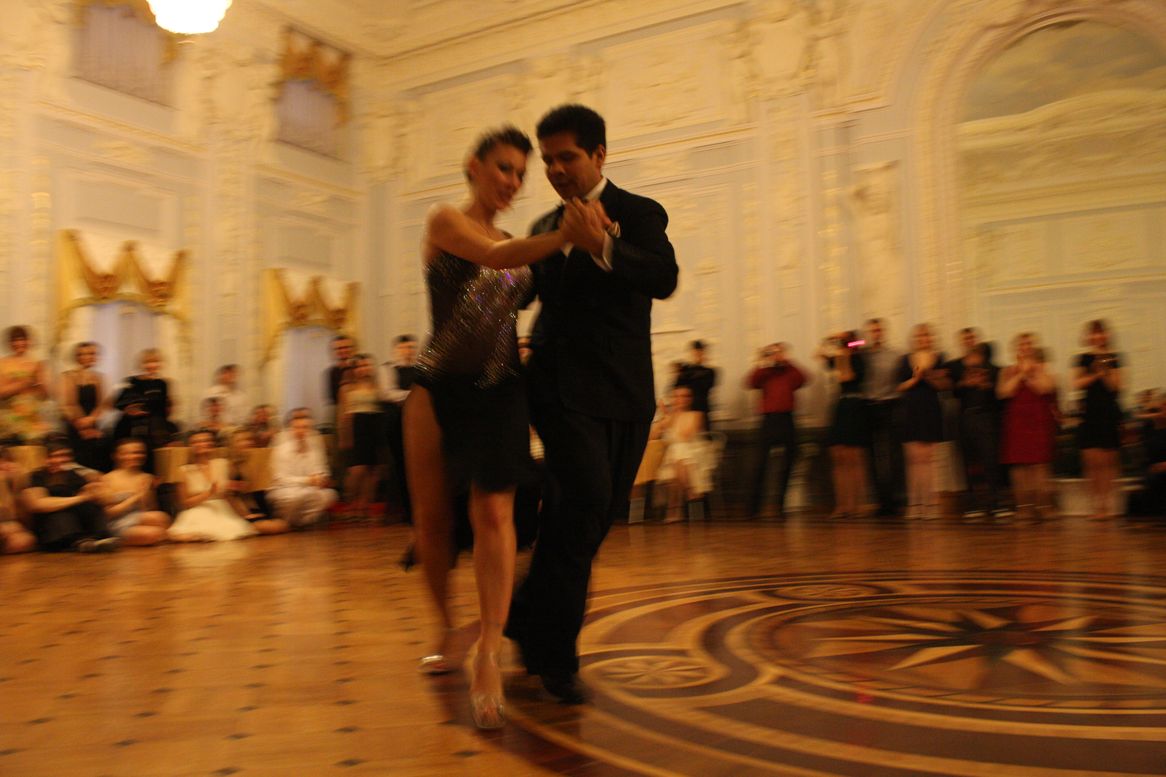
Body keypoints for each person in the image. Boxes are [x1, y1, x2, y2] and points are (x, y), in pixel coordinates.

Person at [402, 123, 582, 729]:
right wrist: (564, 234)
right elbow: (498, 259)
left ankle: (488, 651)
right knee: (432, 523)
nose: (513, 181)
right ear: (474, 165)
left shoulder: (516, 241)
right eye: (504, 168)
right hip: (437, 389)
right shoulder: (445, 221)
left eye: (520, 174)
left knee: (494, 514)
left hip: (501, 390)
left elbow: (526, 288)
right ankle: (444, 627)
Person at [505, 105, 678, 707]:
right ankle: (557, 658)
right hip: (559, 392)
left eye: (567, 157)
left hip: (626, 393)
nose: (555, 169)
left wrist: (602, 244)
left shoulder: (639, 212)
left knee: (587, 520)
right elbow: (521, 293)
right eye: (548, 160)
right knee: (581, 509)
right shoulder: (545, 224)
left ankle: (524, 615)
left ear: (599, 154)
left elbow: (663, 278)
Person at [999, 333, 1058, 522]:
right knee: (1019, 467)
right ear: (1015, 349)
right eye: (1021, 344)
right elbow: (1004, 392)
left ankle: (1044, 507)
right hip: (1017, 422)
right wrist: (1021, 374)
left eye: (1028, 344)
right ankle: (1024, 508)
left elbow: (1045, 388)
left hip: (1038, 421)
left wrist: (1032, 372)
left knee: (1040, 465)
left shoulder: (1042, 368)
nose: (1025, 347)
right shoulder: (1008, 371)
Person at [745, 342, 809, 518]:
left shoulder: (790, 371)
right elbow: (751, 382)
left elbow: (803, 379)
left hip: (787, 419)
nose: (777, 355)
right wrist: (763, 361)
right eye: (775, 353)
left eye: (780, 352)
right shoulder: (765, 372)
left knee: (788, 463)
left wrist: (787, 362)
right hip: (769, 421)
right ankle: (753, 508)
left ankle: (780, 505)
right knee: (760, 464)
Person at [21, 440, 119, 552]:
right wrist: (80, 498)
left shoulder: (72, 475)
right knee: (61, 513)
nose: (61, 460)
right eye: (55, 456)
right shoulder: (37, 476)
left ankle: (100, 538)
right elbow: (37, 504)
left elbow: (98, 496)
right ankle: (81, 543)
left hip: (75, 522)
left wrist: (97, 489)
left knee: (92, 507)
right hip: (50, 527)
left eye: (65, 456)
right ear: (45, 459)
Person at [947, 335, 1004, 520]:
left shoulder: (994, 369)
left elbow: (1000, 396)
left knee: (990, 461)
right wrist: (965, 383)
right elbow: (954, 392)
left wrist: (986, 384)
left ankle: (995, 502)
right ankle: (973, 503)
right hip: (966, 418)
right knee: (969, 462)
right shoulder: (958, 368)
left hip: (987, 418)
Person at [896, 324, 949, 519]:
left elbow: (944, 386)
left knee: (928, 460)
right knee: (913, 460)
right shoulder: (905, 359)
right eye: (919, 335)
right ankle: (914, 504)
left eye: (926, 335)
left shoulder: (939, 358)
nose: (922, 338)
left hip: (930, 409)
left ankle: (930, 504)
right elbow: (899, 387)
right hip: (911, 410)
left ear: (931, 337)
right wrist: (915, 378)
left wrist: (929, 375)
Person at [1073, 320, 1124, 520]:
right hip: (1089, 414)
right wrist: (1095, 374)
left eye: (1101, 333)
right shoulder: (1082, 359)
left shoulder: (1115, 357)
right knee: (1091, 462)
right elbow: (1076, 383)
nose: (1098, 337)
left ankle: (1107, 505)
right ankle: (1096, 506)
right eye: (1094, 333)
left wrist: (1106, 371)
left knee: (1108, 462)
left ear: (1107, 335)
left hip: (1109, 413)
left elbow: (1117, 387)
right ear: (1089, 337)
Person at [168, 429, 259, 542]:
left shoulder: (223, 464)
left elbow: (231, 493)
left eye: (207, 440)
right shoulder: (184, 470)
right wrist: (208, 493)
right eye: (197, 441)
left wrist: (244, 512)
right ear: (191, 446)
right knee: (197, 533)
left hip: (223, 510)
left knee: (234, 532)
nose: (203, 444)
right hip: (197, 511)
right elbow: (185, 503)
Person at [817, 332, 869, 519]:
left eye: (846, 340)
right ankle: (842, 505)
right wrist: (829, 339)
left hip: (855, 406)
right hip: (841, 406)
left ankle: (856, 505)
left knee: (854, 457)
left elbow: (846, 377)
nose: (843, 343)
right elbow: (818, 354)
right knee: (838, 455)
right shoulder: (840, 356)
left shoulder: (859, 358)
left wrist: (846, 352)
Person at [862, 318, 905, 516]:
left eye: (879, 330)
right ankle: (880, 501)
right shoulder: (863, 353)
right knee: (872, 456)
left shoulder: (894, 354)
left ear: (884, 332)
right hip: (869, 407)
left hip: (890, 406)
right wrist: (862, 342)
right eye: (872, 331)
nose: (876, 334)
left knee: (892, 455)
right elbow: (848, 345)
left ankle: (895, 500)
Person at [652, 385, 712, 522]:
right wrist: (663, 418)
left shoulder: (697, 415)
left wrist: (671, 418)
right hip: (675, 457)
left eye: (685, 396)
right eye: (677, 396)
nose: (681, 399)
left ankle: (673, 509)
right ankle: (689, 491)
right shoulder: (668, 417)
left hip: (695, 454)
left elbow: (685, 436)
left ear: (690, 399)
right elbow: (652, 435)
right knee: (677, 458)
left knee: (679, 455)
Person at [267, 412, 337, 529]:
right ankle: (288, 522)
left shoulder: (314, 450)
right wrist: (307, 480)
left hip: (309, 489)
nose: (301, 431)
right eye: (298, 427)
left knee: (329, 495)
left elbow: (321, 469)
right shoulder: (282, 450)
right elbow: (280, 479)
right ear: (291, 429)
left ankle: (303, 523)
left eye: (305, 427)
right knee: (297, 497)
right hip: (284, 489)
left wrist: (321, 478)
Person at [114, 348, 177, 471]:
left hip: (155, 428)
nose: (152, 365)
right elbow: (118, 403)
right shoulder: (130, 381)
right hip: (131, 425)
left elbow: (163, 409)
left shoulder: (162, 383)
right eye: (148, 362)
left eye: (155, 362)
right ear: (141, 364)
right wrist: (129, 409)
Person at [100, 437, 170, 546]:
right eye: (128, 453)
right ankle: (116, 542)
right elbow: (108, 514)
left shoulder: (147, 477)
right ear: (116, 456)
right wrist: (135, 497)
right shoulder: (107, 479)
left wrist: (148, 492)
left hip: (137, 516)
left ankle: (159, 539)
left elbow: (148, 508)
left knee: (161, 517)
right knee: (154, 533)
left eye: (139, 453)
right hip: (116, 522)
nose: (135, 456)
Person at [339, 353, 383, 520]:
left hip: (375, 426)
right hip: (357, 427)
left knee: (373, 470)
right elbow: (344, 415)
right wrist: (344, 437)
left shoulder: (377, 385)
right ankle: (351, 503)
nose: (364, 369)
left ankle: (365, 506)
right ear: (355, 369)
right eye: (360, 366)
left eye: (367, 365)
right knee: (357, 470)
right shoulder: (347, 388)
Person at [379, 335, 418, 521]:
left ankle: (414, 509)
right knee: (396, 463)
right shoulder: (388, 369)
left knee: (415, 464)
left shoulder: (420, 368)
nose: (408, 351)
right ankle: (397, 510)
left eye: (411, 348)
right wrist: (412, 396)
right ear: (396, 350)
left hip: (416, 420)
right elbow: (387, 393)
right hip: (395, 420)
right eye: (404, 348)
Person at [225, 428, 289, 535]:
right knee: (275, 527)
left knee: (283, 524)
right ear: (233, 445)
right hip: (248, 509)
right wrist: (246, 514)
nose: (246, 443)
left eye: (248, 440)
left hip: (264, 503)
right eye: (241, 441)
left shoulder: (260, 460)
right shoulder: (233, 466)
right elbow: (231, 496)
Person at [0, 325, 51, 443]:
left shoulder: (37, 364)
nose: (19, 343)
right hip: (8, 417)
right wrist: (25, 383)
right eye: (15, 340)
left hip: (32, 418)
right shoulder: (3, 363)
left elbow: (44, 395)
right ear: (10, 343)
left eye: (22, 339)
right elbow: (1, 392)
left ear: (29, 341)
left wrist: (41, 384)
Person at [674, 340, 717, 429]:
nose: (698, 355)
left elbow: (705, 386)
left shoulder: (709, 371)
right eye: (696, 352)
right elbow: (677, 387)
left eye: (700, 352)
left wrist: (688, 374)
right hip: (686, 411)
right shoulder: (686, 370)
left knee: (704, 434)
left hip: (702, 409)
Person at [0, 448, 36, 553]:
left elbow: (25, 519)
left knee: (25, 540)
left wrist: (17, 483)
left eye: (8, 461)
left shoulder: (20, 480)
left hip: (13, 529)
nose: (5, 466)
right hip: (6, 528)